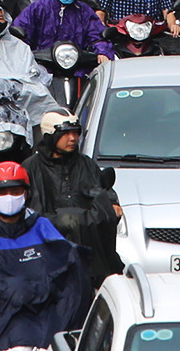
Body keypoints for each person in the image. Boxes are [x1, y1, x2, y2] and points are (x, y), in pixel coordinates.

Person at [0, 162, 91, 351]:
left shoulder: (43, 230)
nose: (9, 197)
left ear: (26, 193)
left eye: (15, 191)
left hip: (39, 337)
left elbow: (71, 277)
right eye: (2, 192)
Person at [24, 110, 121, 281]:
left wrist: (111, 205)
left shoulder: (86, 165)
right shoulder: (31, 168)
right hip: (46, 259)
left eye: (76, 132)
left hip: (89, 259)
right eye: (66, 133)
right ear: (50, 134)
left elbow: (103, 194)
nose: (73, 138)